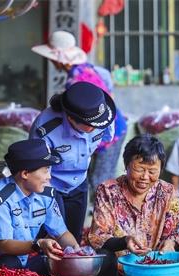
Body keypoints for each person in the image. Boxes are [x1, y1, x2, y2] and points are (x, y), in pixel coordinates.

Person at [31, 30, 128, 205]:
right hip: (103, 128)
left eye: (52, 58)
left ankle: (104, 224)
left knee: (100, 181)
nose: (52, 62)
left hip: (109, 129)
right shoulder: (89, 69)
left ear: (58, 59)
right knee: (94, 178)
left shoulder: (77, 82)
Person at [0, 139, 80, 276]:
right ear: (25, 174)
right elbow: (4, 246)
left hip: (23, 261)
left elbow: (61, 234)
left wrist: (77, 253)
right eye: (45, 171)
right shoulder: (0, 196)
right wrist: (38, 245)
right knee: (10, 264)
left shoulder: (44, 193)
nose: (49, 177)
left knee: (61, 264)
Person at [87, 134, 179, 276]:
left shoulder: (168, 192)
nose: (145, 177)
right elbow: (98, 236)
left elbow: (174, 233)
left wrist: (171, 243)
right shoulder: (108, 191)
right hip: (118, 271)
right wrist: (125, 241)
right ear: (126, 165)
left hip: (155, 271)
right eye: (139, 169)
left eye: (152, 171)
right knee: (103, 256)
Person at [29, 81, 116, 244]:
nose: (94, 128)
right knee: (55, 237)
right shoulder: (46, 128)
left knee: (74, 238)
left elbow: (104, 141)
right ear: (70, 117)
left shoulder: (102, 119)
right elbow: (36, 169)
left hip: (79, 183)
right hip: (50, 184)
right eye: (88, 125)